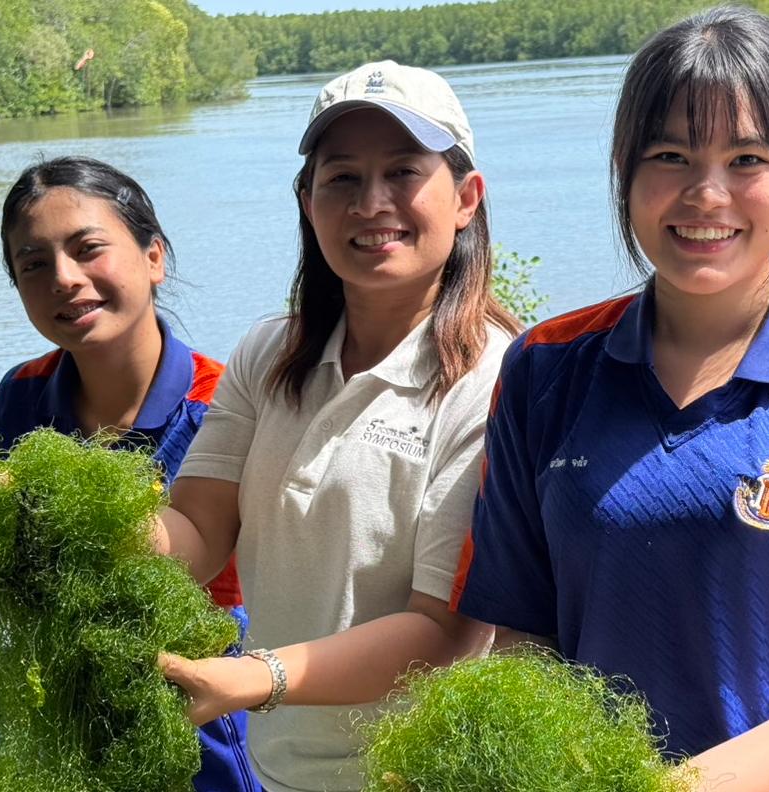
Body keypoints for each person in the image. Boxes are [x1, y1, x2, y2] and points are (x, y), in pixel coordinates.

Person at [450, 7, 769, 791]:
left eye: (746, 159)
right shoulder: (544, 369)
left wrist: (671, 788)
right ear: (625, 172)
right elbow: (523, 635)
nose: (706, 195)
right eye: (670, 155)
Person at [154, 61, 520, 792]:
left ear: (466, 198)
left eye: (404, 172)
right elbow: (194, 536)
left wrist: (257, 676)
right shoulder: (270, 352)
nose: (371, 203)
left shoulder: (496, 380)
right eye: (343, 178)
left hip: (420, 774)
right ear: (307, 200)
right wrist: (43, 517)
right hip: (283, 766)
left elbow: (443, 631)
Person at [0, 156, 260, 792]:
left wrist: (37, 504)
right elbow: (23, 571)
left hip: (210, 708)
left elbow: (202, 565)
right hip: (67, 715)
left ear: (154, 257)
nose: (64, 280)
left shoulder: (227, 403)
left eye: (88, 248)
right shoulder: (21, 394)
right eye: (33, 265)